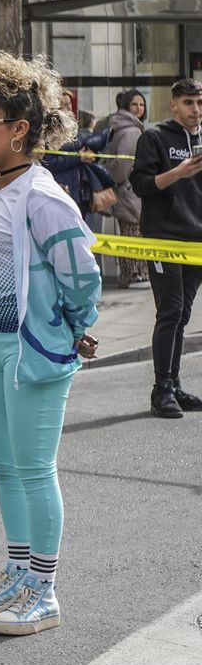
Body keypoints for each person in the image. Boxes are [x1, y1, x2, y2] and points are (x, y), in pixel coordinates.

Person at [0, 52, 100, 635]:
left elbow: (81, 275)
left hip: (32, 349)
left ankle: (44, 588)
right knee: (7, 469)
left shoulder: (43, 196)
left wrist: (72, 326)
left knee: (36, 470)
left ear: (19, 130)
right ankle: (19, 569)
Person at [131, 77, 202, 419]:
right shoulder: (155, 137)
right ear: (173, 104)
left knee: (183, 313)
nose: (195, 110)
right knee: (170, 310)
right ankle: (161, 389)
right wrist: (177, 173)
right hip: (164, 237)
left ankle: (173, 384)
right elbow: (141, 186)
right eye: (189, 103)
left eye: (200, 103)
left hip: (196, 240)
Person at [104, 89, 148, 288]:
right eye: (134, 105)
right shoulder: (132, 131)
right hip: (130, 192)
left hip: (125, 191)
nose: (139, 108)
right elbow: (123, 166)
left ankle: (129, 275)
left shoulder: (120, 126)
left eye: (142, 104)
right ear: (126, 107)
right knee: (134, 233)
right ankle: (135, 275)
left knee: (129, 232)